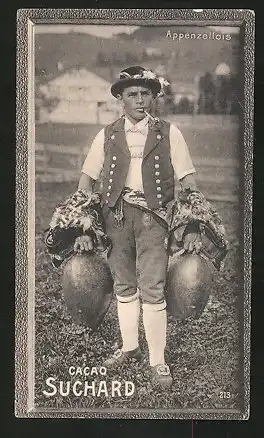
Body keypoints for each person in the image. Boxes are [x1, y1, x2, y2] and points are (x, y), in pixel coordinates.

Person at [75, 66, 202, 389]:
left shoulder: (170, 133)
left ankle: (157, 360)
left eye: (146, 93)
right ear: (120, 98)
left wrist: (192, 224)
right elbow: (88, 179)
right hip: (114, 217)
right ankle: (129, 347)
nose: (140, 100)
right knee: (123, 284)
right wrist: (84, 226)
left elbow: (187, 179)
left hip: (153, 219)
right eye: (133, 94)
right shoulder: (106, 134)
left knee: (153, 286)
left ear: (154, 96)